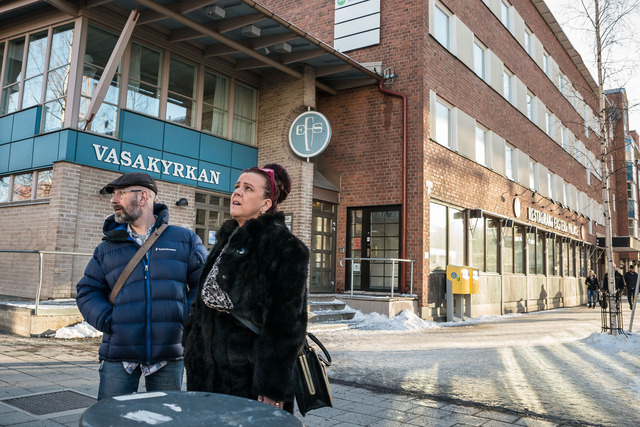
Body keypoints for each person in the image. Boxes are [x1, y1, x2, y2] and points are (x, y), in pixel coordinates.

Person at [183, 164, 309, 414]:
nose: (237, 192)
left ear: (266, 204)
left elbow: (286, 326)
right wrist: (190, 342)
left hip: (246, 380)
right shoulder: (227, 240)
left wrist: (272, 386)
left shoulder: (285, 248)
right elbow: (203, 299)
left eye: (248, 188)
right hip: (204, 373)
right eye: (236, 186)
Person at [76, 172, 207, 400]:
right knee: (112, 417)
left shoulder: (184, 240)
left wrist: (183, 316)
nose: (113, 200)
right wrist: (110, 320)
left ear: (143, 197)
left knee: (165, 416)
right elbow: (87, 291)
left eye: (120, 194)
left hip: (168, 352)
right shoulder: (107, 247)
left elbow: (204, 285)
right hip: (119, 354)